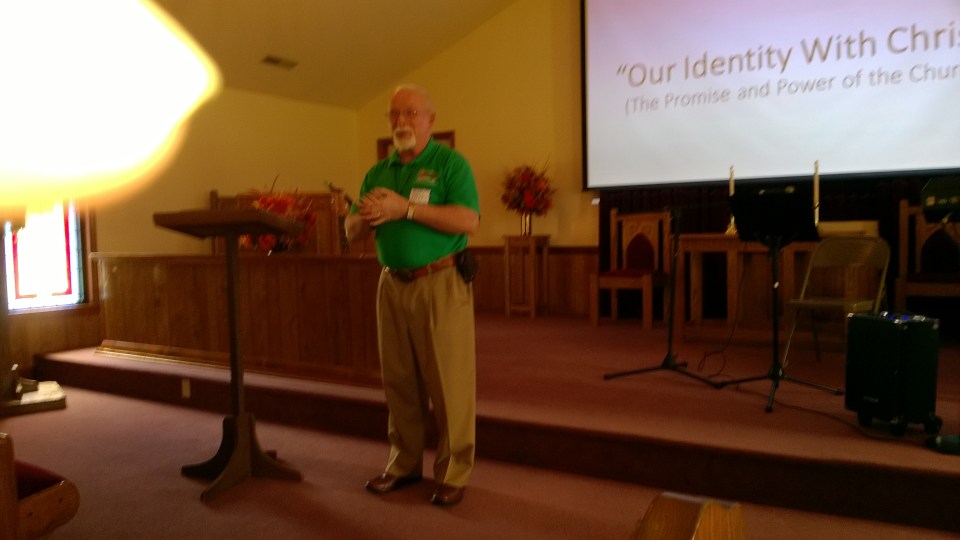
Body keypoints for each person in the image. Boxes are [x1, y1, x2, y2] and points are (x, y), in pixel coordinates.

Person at [345, 84, 480, 506]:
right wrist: (364, 219)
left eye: (411, 113)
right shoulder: (377, 172)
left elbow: (468, 220)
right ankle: (403, 464)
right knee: (399, 381)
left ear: (430, 120)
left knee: (449, 382)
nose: (401, 121)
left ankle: (454, 472)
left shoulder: (450, 164)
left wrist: (404, 208)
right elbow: (351, 230)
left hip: (440, 282)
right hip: (391, 283)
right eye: (394, 114)